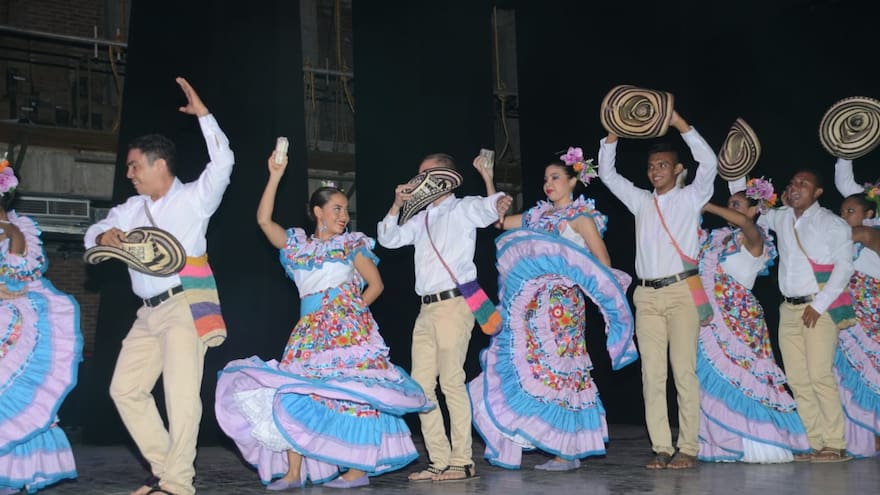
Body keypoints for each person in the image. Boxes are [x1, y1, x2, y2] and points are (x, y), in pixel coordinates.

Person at [215, 151, 432, 489]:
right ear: (318, 212)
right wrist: (274, 175)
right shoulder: (297, 246)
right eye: (337, 209)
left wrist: (351, 308)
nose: (344, 216)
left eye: (346, 210)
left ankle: (358, 470)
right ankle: (292, 472)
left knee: (352, 395)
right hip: (307, 331)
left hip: (346, 330)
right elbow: (263, 221)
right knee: (294, 391)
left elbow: (376, 285)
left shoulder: (351, 245)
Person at [83, 77, 234, 495]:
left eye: (134, 166)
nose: (129, 173)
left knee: (181, 396)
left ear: (159, 165)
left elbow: (223, 164)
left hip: (185, 304)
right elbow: (94, 230)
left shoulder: (194, 200)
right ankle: (166, 467)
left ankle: (177, 484)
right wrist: (102, 237)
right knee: (124, 390)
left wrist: (205, 117)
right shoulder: (131, 209)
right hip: (147, 311)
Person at [468, 149, 637, 470]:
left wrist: (572, 271)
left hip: (563, 306)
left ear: (573, 180)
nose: (548, 183)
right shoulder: (537, 215)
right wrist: (488, 179)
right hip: (532, 306)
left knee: (562, 368)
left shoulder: (581, 217)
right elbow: (501, 222)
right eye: (546, 178)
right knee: (531, 365)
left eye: (556, 177)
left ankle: (567, 451)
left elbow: (602, 264)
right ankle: (538, 437)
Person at [377, 153, 512, 482]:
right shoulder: (420, 218)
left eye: (425, 175)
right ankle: (438, 460)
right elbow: (387, 238)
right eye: (417, 176)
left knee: (452, 381)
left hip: (455, 303)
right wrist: (397, 204)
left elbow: (494, 206)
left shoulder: (461, 208)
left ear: (444, 178)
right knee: (421, 387)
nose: (418, 182)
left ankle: (462, 460)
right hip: (425, 308)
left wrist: (488, 177)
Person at [597, 110, 716, 469]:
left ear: (678, 169)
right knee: (652, 375)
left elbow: (709, 161)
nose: (655, 171)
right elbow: (607, 174)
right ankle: (662, 447)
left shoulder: (692, 197)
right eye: (651, 166)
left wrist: (682, 125)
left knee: (683, 372)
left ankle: (689, 448)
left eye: (663, 165)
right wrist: (613, 135)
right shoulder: (641, 201)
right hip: (646, 296)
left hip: (682, 293)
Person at [696, 178, 810, 463]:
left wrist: (708, 204)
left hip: (740, 317)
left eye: (736, 205)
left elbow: (745, 225)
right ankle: (723, 444)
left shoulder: (755, 235)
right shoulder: (717, 237)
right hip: (711, 317)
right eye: (728, 204)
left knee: (746, 378)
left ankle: (759, 445)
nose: (729, 208)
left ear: (754, 210)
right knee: (715, 379)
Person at [747, 169, 853, 462]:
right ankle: (816, 442)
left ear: (818, 192)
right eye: (792, 182)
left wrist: (818, 306)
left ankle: (835, 442)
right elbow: (752, 205)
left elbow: (844, 268)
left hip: (818, 307)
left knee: (819, 374)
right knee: (797, 378)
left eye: (803, 184)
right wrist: (739, 172)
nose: (795, 187)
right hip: (788, 307)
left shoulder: (831, 223)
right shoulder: (780, 217)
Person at [0, 162, 82, 494]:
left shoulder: (11, 231)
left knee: (10, 402)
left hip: (10, 320)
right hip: (14, 316)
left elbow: (11, 281)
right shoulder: (15, 229)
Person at [833, 161, 880, 457]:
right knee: (853, 371)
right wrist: (844, 152)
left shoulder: (869, 232)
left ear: (869, 215)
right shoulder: (850, 233)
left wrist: (817, 231)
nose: (843, 217)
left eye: (849, 212)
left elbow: (856, 234)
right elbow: (845, 182)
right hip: (852, 309)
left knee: (874, 370)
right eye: (842, 213)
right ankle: (864, 435)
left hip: (872, 308)